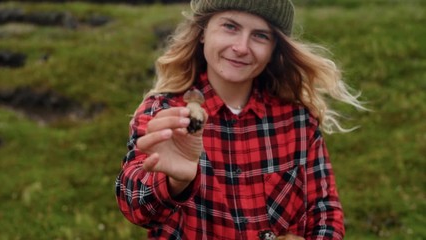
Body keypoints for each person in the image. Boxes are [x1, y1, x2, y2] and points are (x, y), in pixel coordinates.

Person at [115, 0, 365, 239]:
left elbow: (325, 212)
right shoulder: (163, 112)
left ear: (274, 48)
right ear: (202, 32)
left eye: (260, 35)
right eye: (230, 27)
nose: (242, 47)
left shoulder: (298, 120)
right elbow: (134, 208)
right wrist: (174, 181)